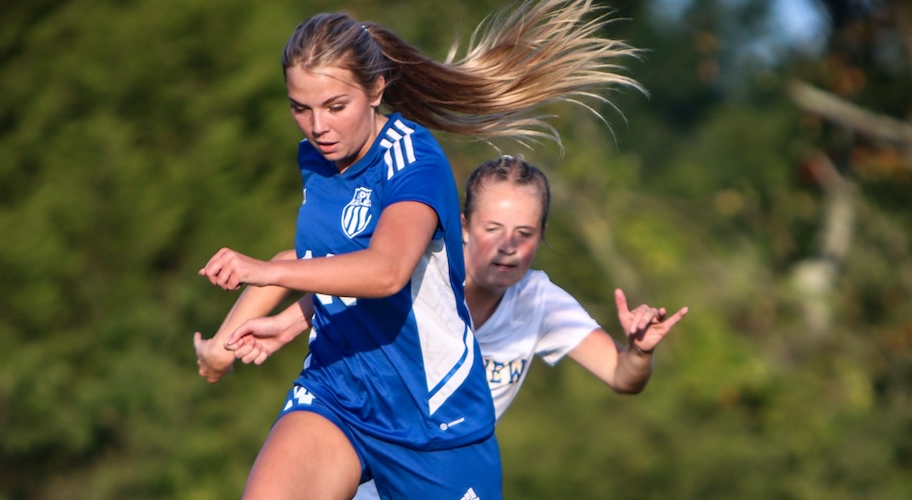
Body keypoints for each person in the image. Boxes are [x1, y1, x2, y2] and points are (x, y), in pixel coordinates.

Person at [194, 1, 642, 498]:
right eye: (301, 108)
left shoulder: (415, 160)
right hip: (337, 393)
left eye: (335, 107)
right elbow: (320, 265)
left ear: (375, 90)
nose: (317, 126)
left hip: (434, 422)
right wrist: (254, 335)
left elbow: (387, 271)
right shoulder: (317, 161)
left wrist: (257, 270)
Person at [201, 156, 687, 499]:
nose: (508, 246)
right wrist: (223, 348)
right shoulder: (419, 266)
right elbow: (297, 263)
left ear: (541, 238)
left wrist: (639, 351)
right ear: (463, 227)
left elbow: (622, 377)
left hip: (443, 472)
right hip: (363, 465)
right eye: (493, 229)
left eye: (525, 234)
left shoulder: (539, 301)